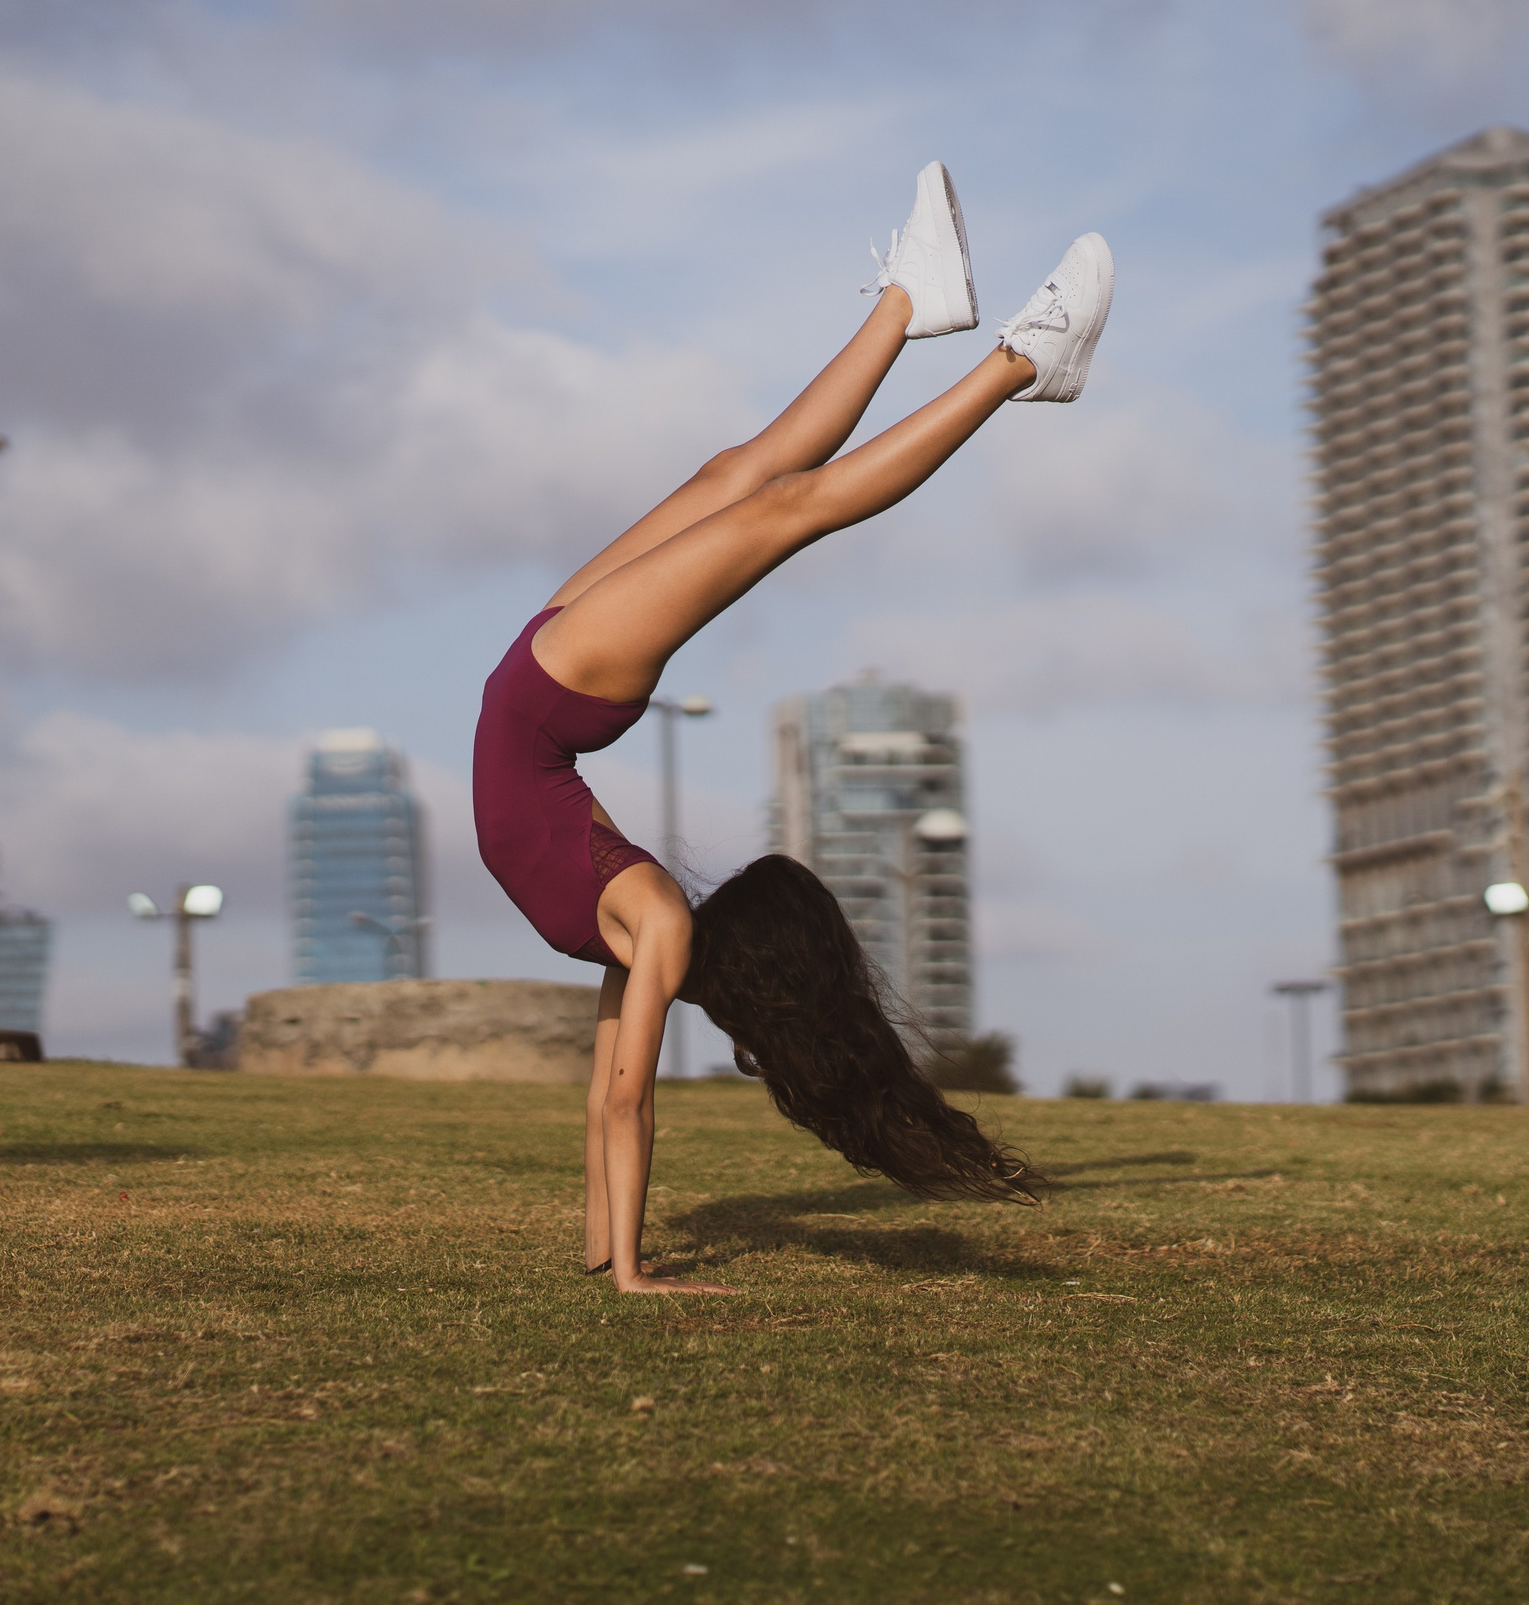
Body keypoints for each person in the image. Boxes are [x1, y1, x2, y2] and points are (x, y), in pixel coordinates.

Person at [473, 163, 1113, 1295]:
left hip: (551, 693)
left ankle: (1021, 363)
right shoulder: (642, 933)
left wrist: (622, 1273)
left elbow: (619, 1098)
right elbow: (607, 1099)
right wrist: (608, 1251)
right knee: (746, 480)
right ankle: (914, 303)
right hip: (547, 695)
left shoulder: (656, 931)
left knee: (777, 505)